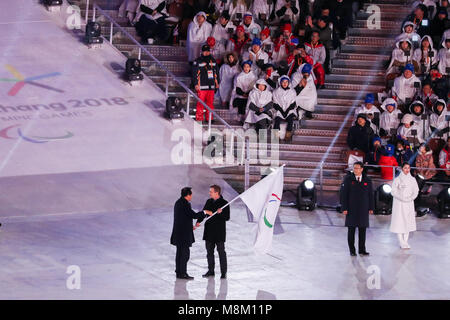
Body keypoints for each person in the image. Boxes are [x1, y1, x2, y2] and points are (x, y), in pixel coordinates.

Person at [170, 187, 213, 279]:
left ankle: (179, 272)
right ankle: (183, 273)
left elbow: (183, 218)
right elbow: (193, 215)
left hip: (179, 233)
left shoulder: (178, 202)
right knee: (185, 255)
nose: (191, 197)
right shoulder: (185, 204)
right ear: (188, 195)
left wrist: (190, 227)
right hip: (183, 235)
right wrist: (205, 212)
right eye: (191, 195)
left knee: (179, 254)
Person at [195, 185, 230, 279]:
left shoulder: (225, 203)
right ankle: (211, 271)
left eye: (211, 191)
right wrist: (198, 221)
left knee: (221, 252)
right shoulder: (209, 201)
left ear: (216, 192)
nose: (209, 193)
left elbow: (227, 217)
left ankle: (223, 273)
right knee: (209, 252)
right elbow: (205, 212)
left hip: (219, 232)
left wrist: (220, 212)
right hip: (209, 231)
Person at [341, 161, 374, 256]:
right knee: (351, 230)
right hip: (351, 209)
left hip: (363, 209)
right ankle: (352, 250)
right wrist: (344, 208)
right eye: (354, 168)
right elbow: (344, 194)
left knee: (362, 230)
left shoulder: (367, 180)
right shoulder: (348, 179)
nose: (355, 170)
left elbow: (370, 195)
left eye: (357, 168)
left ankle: (362, 249)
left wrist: (371, 207)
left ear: (362, 169)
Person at [390, 163, 419, 249]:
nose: (407, 170)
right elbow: (393, 191)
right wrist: (401, 198)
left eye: (408, 168)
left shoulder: (412, 179)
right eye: (405, 168)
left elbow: (416, 190)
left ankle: (405, 241)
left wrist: (411, 198)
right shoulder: (397, 179)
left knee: (408, 222)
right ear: (402, 169)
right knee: (399, 221)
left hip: (409, 203)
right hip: (399, 204)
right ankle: (401, 241)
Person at [192, 45, 220, 122]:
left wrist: (217, 83)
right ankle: (199, 118)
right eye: (204, 51)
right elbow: (194, 74)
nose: (206, 52)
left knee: (210, 103)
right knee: (200, 104)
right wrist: (195, 84)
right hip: (201, 87)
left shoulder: (213, 61)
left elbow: (217, 73)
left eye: (207, 51)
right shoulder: (197, 61)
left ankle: (209, 118)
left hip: (211, 86)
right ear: (202, 51)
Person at [272, 75, 298, 142]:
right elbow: (275, 103)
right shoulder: (276, 91)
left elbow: (293, 103)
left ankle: (288, 136)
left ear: (289, 83)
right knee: (277, 121)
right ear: (280, 83)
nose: (285, 83)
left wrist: (286, 112)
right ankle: (276, 137)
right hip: (279, 110)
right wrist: (282, 112)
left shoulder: (292, 91)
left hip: (289, 110)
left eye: (286, 82)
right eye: (283, 82)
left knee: (290, 120)